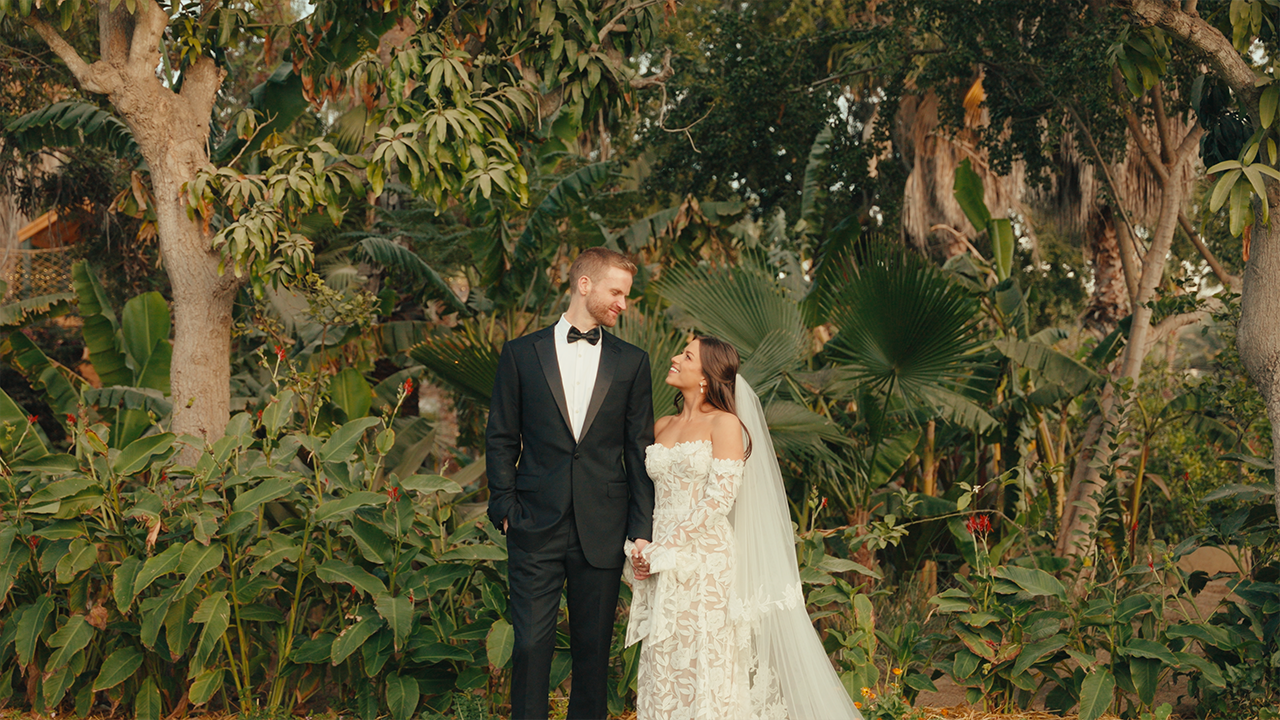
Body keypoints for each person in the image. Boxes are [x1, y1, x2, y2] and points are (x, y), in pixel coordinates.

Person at [625, 336, 864, 720]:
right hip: (660, 563)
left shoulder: (726, 424)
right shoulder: (662, 425)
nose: (674, 358)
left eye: (686, 356)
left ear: (706, 377)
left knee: (705, 662)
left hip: (705, 563)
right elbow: (648, 497)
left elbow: (719, 499)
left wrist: (666, 547)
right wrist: (643, 548)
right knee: (663, 659)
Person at [486, 247, 656, 720]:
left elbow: (638, 451)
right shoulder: (521, 353)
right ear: (585, 285)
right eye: (617, 292)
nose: (624, 303)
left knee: (592, 656)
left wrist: (641, 528)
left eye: (626, 294)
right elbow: (501, 435)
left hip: (603, 526)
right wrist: (504, 507)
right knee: (531, 647)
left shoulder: (632, 362)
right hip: (534, 525)